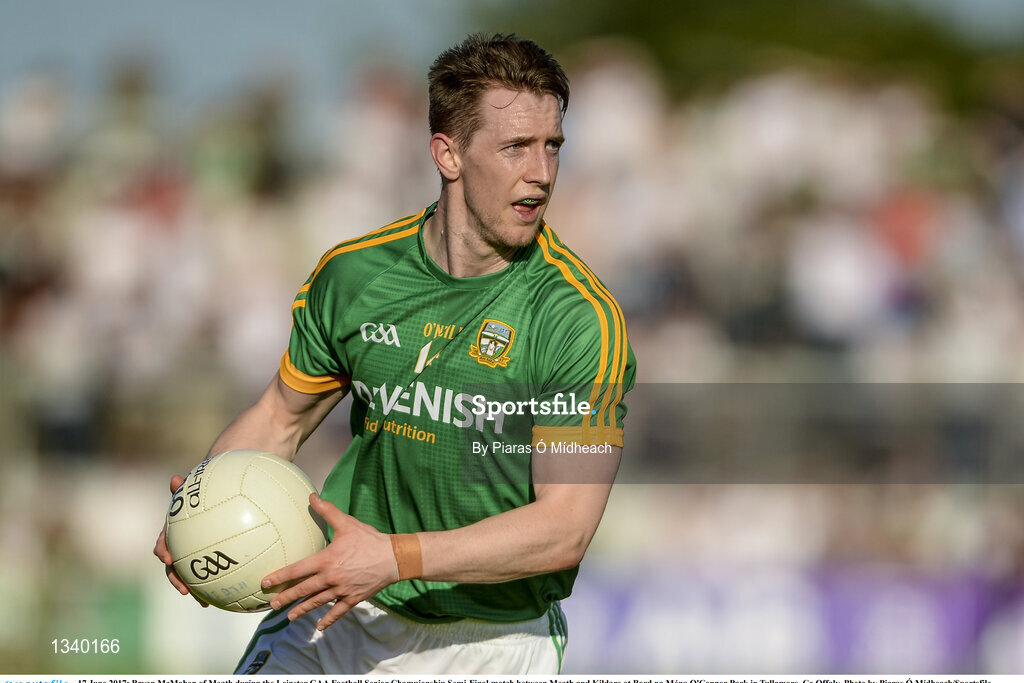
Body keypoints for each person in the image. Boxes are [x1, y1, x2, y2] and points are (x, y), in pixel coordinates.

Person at [153, 32, 636, 675]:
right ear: (448, 153)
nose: (541, 173)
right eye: (516, 147)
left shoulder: (578, 320)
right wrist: (201, 511)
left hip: (490, 643)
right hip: (339, 611)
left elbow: (564, 527)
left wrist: (395, 557)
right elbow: (279, 419)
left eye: (553, 147)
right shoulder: (355, 276)